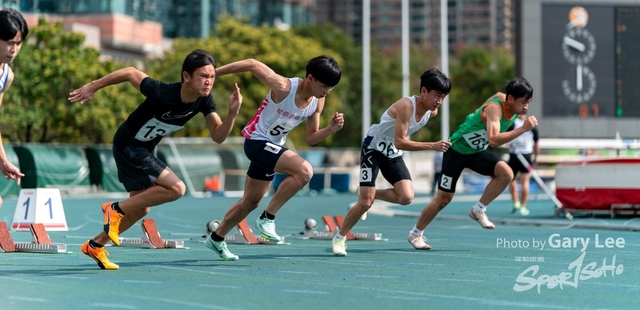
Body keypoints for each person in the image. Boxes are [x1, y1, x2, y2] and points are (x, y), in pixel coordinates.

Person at [68, 49, 242, 269]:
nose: (209, 82)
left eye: (212, 77)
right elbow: (131, 72)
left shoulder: (204, 101)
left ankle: (95, 245)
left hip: (144, 149)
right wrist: (93, 86)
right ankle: (114, 209)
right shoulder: (163, 92)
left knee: (141, 208)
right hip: (129, 145)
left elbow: (218, 136)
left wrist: (233, 114)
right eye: (203, 76)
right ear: (186, 76)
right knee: (177, 188)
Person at [205, 55, 344, 261]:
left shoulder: (317, 102)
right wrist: (213, 74)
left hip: (272, 148)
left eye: (330, 88)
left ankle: (216, 238)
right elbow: (252, 64)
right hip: (256, 142)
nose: (326, 92)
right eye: (324, 86)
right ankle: (267, 219)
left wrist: (330, 129)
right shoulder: (284, 87)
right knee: (304, 171)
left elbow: (311, 137)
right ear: (310, 78)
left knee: (250, 202)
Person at [331, 69, 451, 256]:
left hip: (392, 154)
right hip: (373, 149)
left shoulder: (432, 112)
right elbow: (400, 141)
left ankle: (370, 194)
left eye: (443, 97)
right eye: (437, 95)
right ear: (424, 91)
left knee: (406, 197)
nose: (439, 102)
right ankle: (339, 238)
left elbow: (397, 145)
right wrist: (432, 145)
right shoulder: (406, 106)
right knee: (364, 203)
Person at [407, 77, 538, 250]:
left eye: (528, 102)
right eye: (523, 102)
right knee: (443, 199)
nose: (526, 107)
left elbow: (497, 94)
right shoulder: (495, 108)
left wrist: (476, 112)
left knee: (506, 173)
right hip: (456, 152)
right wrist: (522, 129)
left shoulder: (506, 102)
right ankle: (415, 234)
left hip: (475, 152)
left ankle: (478, 209)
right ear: (511, 98)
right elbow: (493, 140)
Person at [0, 9, 28, 209]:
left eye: (18, 43)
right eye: (9, 42)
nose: (14, 49)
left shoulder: (6, 76)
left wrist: (3, 161)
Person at [507, 114, 539, 216]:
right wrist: (536, 157)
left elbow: (505, 137)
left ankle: (516, 202)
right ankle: (522, 206)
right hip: (526, 155)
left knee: (512, 180)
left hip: (515, 156)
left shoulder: (512, 124)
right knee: (524, 182)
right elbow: (537, 143)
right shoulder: (531, 125)